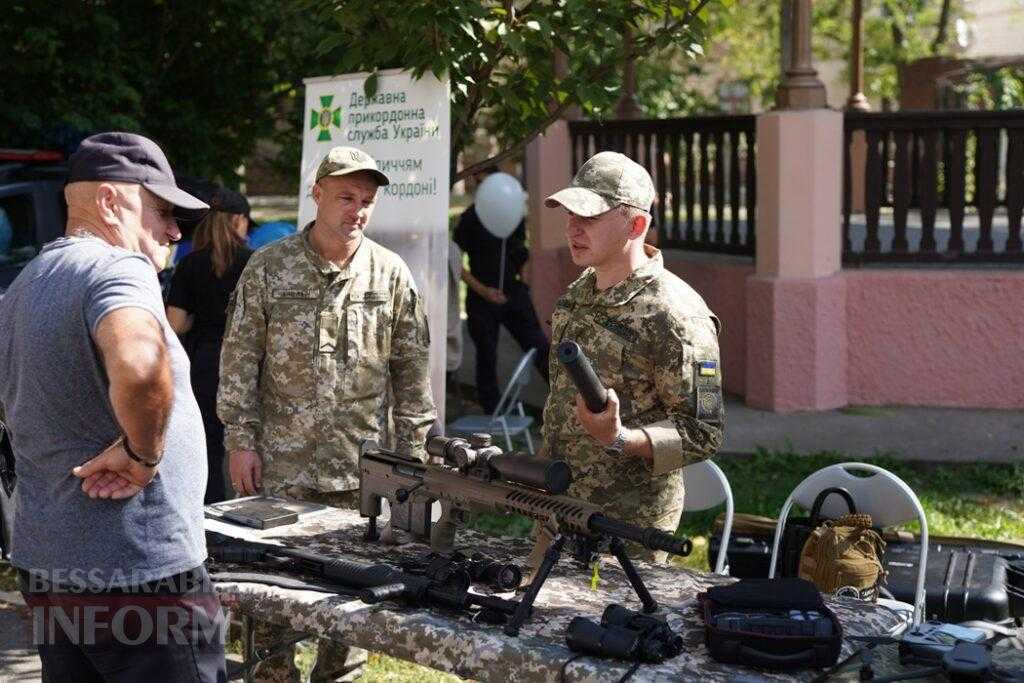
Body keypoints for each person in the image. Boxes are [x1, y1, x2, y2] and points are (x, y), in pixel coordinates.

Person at [0, 132, 226, 681]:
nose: (175, 231)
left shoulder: (23, 285)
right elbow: (141, 367)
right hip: (136, 572)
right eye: (162, 211)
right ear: (109, 201)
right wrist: (142, 454)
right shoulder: (117, 268)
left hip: (50, 566)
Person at [217, 145, 435, 682]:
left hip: (360, 475)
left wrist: (409, 464)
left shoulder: (390, 274)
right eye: (345, 197)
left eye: (366, 200)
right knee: (270, 606)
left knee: (351, 614)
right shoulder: (269, 267)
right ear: (316, 195)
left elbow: (412, 376)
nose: (357, 209)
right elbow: (240, 359)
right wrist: (239, 439)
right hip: (278, 472)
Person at [540, 151, 725, 563]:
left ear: (636, 224)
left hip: (626, 530)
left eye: (588, 217)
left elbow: (704, 431)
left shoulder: (677, 315)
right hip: (556, 511)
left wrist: (621, 439)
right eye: (570, 214)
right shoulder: (578, 296)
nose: (572, 227)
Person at [166, 187, 254, 504]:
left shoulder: (190, 264)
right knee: (249, 444)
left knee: (207, 444)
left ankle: (212, 517)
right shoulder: (254, 263)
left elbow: (173, 324)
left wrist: (198, 319)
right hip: (246, 363)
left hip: (204, 362)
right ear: (238, 221)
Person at [454, 171, 549, 414]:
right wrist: (483, 291)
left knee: (538, 346)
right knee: (486, 353)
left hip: (513, 292)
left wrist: (523, 276)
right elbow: (457, 263)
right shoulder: (469, 219)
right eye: (482, 181)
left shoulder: (514, 214)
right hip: (482, 296)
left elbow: (521, 250)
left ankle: (564, 400)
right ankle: (492, 411)